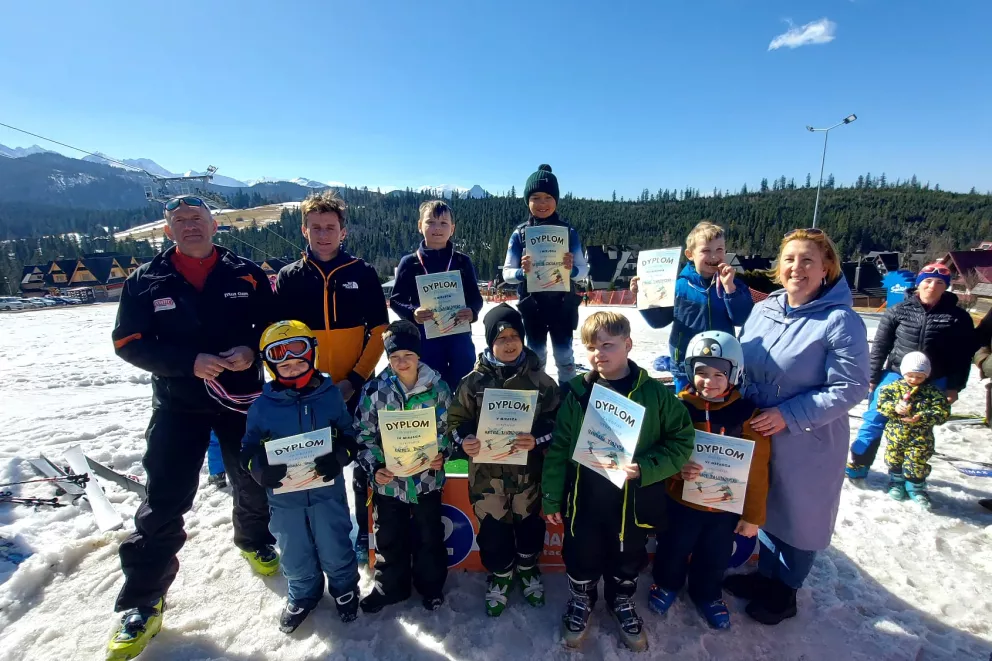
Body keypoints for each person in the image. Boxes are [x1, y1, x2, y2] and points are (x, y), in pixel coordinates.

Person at [107, 195, 277, 660]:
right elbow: (127, 342)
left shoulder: (246, 273)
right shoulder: (146, 281)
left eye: (197, 219)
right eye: (179, 221)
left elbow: (274, 326)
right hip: (178, 405)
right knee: (164, 499)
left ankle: (255, 540)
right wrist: (187, 362)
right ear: (167, 231)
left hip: (240, 401)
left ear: (214, 225)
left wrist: (252, 349)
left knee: (253, 480)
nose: (189, 226)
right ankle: (144, 602)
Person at [727, 228, 869, 626]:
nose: (797, 268)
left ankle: (785, 591)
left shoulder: (839, 321)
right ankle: (766, 575)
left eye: (808, 260)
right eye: (790, 259)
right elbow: (744, 359)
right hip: (757, 429)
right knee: (766, 505)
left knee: (800, 516)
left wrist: (789, 415)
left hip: (807, 438)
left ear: (826, 268)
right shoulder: (765, 308)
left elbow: (852, 385)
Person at [542, 311, 695, 651]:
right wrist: (552, 496)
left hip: (632, 501)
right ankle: (581, 600)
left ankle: (621, 600)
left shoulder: (655, 395)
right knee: (581, 553)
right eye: (591, 348)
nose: (599, 354)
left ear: (628, 344)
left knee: (628, 554)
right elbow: (560, 447)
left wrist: (647, 466)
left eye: (607, 345)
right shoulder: (578, 393)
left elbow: (682, 441)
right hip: (586, 498)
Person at [274, 190, 389, 565]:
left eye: (330, 227)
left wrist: (355, 379)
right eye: (316, 227)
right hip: (307, 391)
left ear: (343, 232)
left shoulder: (362, 272)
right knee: (320, 464)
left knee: (364, 462)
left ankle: (365, 531)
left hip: (353, 387)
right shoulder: (290, 278)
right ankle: (330, 535)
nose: (323, 234)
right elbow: (279, 339)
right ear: (304, 230)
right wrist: (297, 384)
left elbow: (379, 331)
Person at [241, 321, 361, 632]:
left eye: (299, 362)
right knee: (293, 546)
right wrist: (260, 470)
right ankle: (303, 591)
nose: (293, 370)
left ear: (312, 358)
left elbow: (349, 433)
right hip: (285, 497)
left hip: (326, 491)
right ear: (270, 365)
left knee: (334, 539)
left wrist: (340, 456)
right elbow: (248, 449)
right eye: (285, 365)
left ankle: (344, 586)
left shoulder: (330, 396)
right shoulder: (262, 407)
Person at [648, 331, 770, 631]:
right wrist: (677, 469)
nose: (709, 381)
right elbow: (660, 450)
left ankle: (707, 593)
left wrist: (752, 516)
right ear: (690, 372)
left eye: (719, 374)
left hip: (724, 509)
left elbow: (757, 470)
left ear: (734, 374)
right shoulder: (677, 408)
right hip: (682, 502)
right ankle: (666, 584)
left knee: (715, 555)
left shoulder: (746, 415)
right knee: (673, 548)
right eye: (701, 372)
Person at [446, 304, 560, 616]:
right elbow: (454, 422)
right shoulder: (473, 382)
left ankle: (526, 568)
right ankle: (500, 574)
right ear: (490, 343)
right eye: (501, 338)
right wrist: (465, 440)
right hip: (487, 480)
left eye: (514, 336)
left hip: (528, 479)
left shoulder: (541, 381)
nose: (508, 343)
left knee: (529, 528)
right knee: (493, 533)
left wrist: (536, 438)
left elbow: (558, 421)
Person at [354, 320, 453, 613]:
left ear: (418, 355)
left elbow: (448, 429)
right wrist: (375, 467)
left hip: (427, 478)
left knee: (429, 535)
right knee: (389, 537)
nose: (401, 362)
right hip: (390, 480)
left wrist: (442, 454)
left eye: (407, 355)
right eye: (395, 357)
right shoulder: (376, 390)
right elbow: (363, 434)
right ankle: (391, 587)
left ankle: (431, 586)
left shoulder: (438, 389)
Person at [847, 262, 975, 481]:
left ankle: (909, 476)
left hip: (935, 379)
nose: (931, 286)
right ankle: (859, 464)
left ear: (946, 287)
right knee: (874, 419)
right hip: (896, 374)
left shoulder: (958, 318)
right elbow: (880, 345)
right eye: (926, 281)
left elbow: (962, 356)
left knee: (920, 425)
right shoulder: (898, 310)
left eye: (938, 283)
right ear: (918, 284)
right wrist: (872, 377)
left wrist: (955, 386)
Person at [630, 221, 753, 393]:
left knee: (721, 412)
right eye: (705, 251)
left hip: (722, 365)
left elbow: (741, 318)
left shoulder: (733, 285)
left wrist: (730, 290)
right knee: (687, 412)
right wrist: (643, 296)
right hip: (685, 367)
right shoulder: (677, 287)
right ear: (690, 254)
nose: (713, 256)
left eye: (719, 249)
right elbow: (658, 322)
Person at [502, 164, 589, 383]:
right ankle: (539, 400)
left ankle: (568, 401)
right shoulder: (520, 234)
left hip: (562, 305)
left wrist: (572, 269)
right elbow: (507, 274)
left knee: (565, 358)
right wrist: (522, 273)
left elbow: (583, 272)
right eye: (536, 198)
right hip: (533, 307)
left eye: (548, 197)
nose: (542, 204)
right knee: (536, 357)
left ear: (556, 200)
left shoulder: (569, 233)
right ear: (527, 201)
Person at [389, 200, 484, 389]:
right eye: (430, 222)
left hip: (459, 335)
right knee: (430, 383)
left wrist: (472, 311)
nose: (437, 228)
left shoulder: (462, 261)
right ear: (419, 226)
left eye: (443, 223)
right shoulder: (410, 263)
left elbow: (475, 297)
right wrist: (413, 313)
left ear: (452, 228)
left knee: (464, 381)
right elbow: (396, 300)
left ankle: (462, 417)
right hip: (425, 337)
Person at [876, 352, 951, 509]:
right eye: (910, 376)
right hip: (896, 435)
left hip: (921, 438)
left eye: (919, 377)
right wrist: (895, 408)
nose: (914, 380)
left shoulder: (933, 393)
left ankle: (916, 489)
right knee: (894, 459)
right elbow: (881, 406)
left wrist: (922, 416)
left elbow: (942, 413)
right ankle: (896, 483)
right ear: (904, 372)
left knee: (917, 462)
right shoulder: (892, 388)